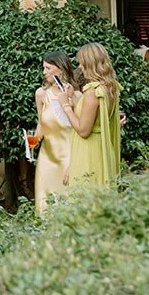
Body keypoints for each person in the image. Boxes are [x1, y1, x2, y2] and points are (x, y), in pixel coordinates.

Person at [60, 42, 123, 189]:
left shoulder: (92, 92)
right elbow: (92, 115)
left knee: (86, 194)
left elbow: (84, 130)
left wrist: (66, 106)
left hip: (89, 152)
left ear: (89, 64)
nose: (80, 67)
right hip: (101, 148)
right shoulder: (110, 87)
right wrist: (73, 97)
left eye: (81, 63)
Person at [32, 51, 78, 217]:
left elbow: (81, 130)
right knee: (43, 206)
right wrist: (32, 142)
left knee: (68, 205)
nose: (44, 72)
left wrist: (74, 163)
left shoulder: (75, 95)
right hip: (47, 159)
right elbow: (41, 124)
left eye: (48, 68)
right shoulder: (41, 94)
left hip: (69, 158)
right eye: (43, 68)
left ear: (61, 69)